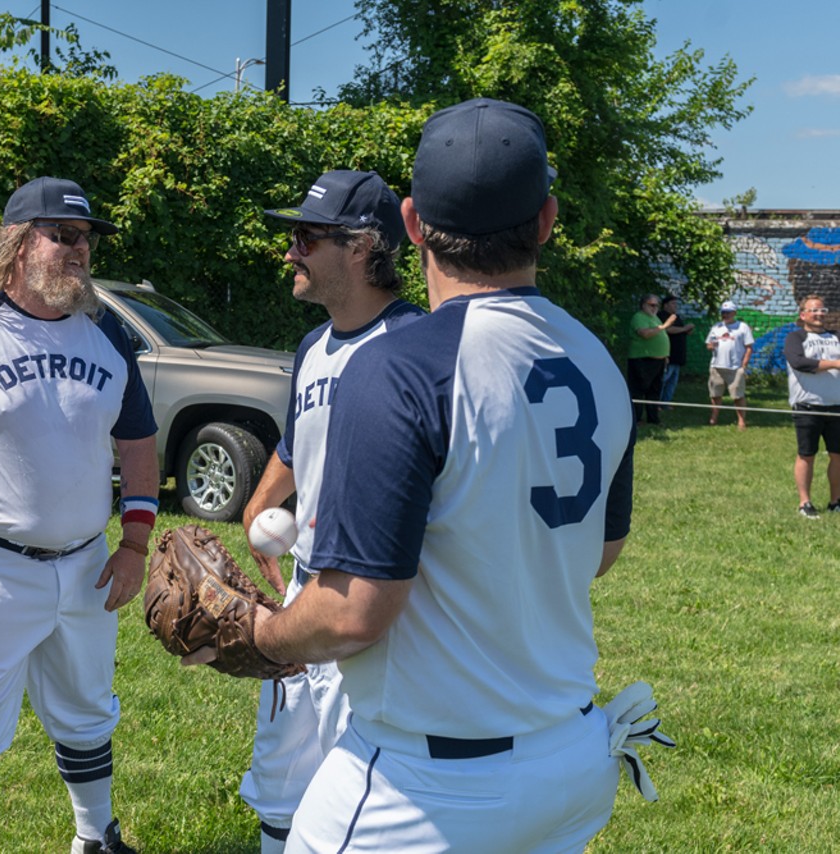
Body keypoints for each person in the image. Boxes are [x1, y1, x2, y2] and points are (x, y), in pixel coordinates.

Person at [253, 98, 639, 852]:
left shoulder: (398, 366)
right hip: (570, 760)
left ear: (413, 223)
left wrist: (259, 631)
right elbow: (599, 552)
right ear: (547, 220)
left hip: (425, 790)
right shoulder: (597, 359)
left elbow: (352, 613)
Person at [0, 177, 158, 854]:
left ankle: (97, 837)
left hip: (89, 561)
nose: (78, 249)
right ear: (15, 242)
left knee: (88, 709)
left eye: (85, 238)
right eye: (61, 234)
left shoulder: (108, 332)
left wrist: (136, 542)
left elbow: (139, 440)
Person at [241, 170, 424, 853]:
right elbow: (299, 436)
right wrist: (264, 497)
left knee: (358, 775)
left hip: (370, 592)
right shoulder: (313, 345)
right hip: (304, 583)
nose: (290, 251)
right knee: (281, 769)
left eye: (305, 237)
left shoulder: (415, 349)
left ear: (360, 248)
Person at [784, 294, 840, 518]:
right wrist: (834, 363)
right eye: (814, 310)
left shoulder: (836, 336)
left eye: (822, 310)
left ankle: (836, 501)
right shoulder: (795, 338)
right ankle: (804, 503)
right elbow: (799, 363)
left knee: (838, 455)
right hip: (807, 406)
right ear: (803, 314)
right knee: (807, 454)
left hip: (837, 406)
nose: (819, 314)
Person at [706, 300, 755, 429]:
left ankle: (741, 421)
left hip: (735, 368)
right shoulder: (716, 327)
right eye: (723, 312)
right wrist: (711, 346)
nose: (725, 315)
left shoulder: (742, 327)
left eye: (728, 312)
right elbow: (708, 345)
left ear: (734, 313)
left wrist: (743, 366)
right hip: (716, 366)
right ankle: (714, 418)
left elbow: (749, 348)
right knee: (715, 395)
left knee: (737, 396)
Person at [627, 293, 674, 424]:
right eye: (652, 305)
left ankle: (653, 419)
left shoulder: (655, 318)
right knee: (639, 390)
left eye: (657, 305)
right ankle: (636, 419)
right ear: (643, 305)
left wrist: (665, 356)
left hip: (658, 361)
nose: (655, 308)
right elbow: (645, 334)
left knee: (654, 390)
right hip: (642, 359)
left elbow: (660, 336)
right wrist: (664, 326)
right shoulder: (639, 317)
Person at [658, 293, 695, 407]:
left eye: (676, 304)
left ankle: (666, 402)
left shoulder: (676, 317)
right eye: (673, 303)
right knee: (663, 380)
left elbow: (680, 330)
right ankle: (657, 403)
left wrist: (687, 330)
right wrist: (684, 328)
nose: (676, 306)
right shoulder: (662, 316)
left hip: (678, 355)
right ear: (666, 305)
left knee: (672, 382)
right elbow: (667, 330)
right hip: (668, 354)